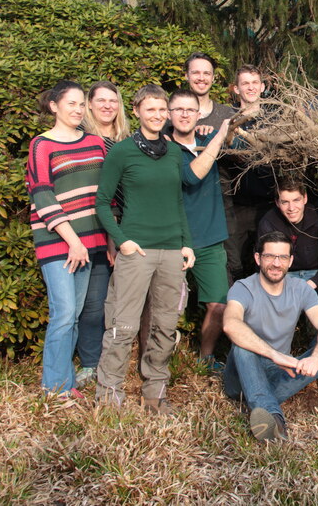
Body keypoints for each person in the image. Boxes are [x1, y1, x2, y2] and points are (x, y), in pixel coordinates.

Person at [94, 84, 195, 414]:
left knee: (165, 326)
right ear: (136, 111)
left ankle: (155, 393)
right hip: (136, 251)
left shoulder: (175, 152)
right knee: (123, 326)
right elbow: (102, 203)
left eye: (162, 109)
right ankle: (108, 395)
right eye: (150, 109)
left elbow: (177, 201)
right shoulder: (121, 152)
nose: (157, 115)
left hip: (171, 252)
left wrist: (186, 244)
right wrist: (122, 240)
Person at [26, 80, 108, 398]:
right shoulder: (41, 145)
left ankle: (67, 382)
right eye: (70, 103)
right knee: (63, 313)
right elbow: (43, 195)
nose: (77, 109)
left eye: (80, 104)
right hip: (59, 242)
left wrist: (107, 240)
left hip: (89, 243)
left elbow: (105, 196)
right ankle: (55, 386)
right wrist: (73, 240)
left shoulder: (95, 143)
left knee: (75, 313)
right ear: (54, 107)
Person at [222, 231, 318, 441]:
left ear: (290, 260)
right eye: (269, 256)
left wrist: (317, 356)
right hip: (242, 372)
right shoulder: (243, 288)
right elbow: (230, 324)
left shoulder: (301, 289)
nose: (276, 263)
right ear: (258, 258)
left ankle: (260, 402)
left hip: (278, 372)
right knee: (242, 347)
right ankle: (275, 420)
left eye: (282, 257)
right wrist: (275, 355)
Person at [73, 80, 132, 388]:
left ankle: (119, 357)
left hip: (128, 227)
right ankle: (90, 362)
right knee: (93, 302)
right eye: (102, 101)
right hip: (93, 229)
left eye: (114, 101)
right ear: (90, 105)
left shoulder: (128, 140)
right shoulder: (81, 140)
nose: (108, 106)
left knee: (122, 301)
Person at [169, 89, 232, 368]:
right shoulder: (161, 147)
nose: (184, 115)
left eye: (190, 110)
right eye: (178, 109)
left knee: (218, 305)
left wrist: (221, 133)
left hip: (209, 237)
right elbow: (191, 177)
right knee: (164, 308)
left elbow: (240, 141)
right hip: (171, 240)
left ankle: (206, 358)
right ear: (170, 114)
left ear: (199, 114)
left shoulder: (208, 137)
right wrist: (218, 136)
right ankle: (160, 362)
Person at [222, 64, 277, 281]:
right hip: (237, 205)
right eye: (245, 83)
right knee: (234, 264)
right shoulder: (228, 119)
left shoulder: (275, 118)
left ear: (262, 87)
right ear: (236, 89)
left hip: (267, 203)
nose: (251, 88)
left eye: (255, 83)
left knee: (265, 262)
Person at [257, 179, 318, 307]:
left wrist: (312, 283)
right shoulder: (269, 222)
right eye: (285, 202)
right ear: (277, 203)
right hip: (285, 276)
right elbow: (266, 263)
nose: (291, 208)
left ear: (305, 198)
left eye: (296, 200)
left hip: (317, 274)